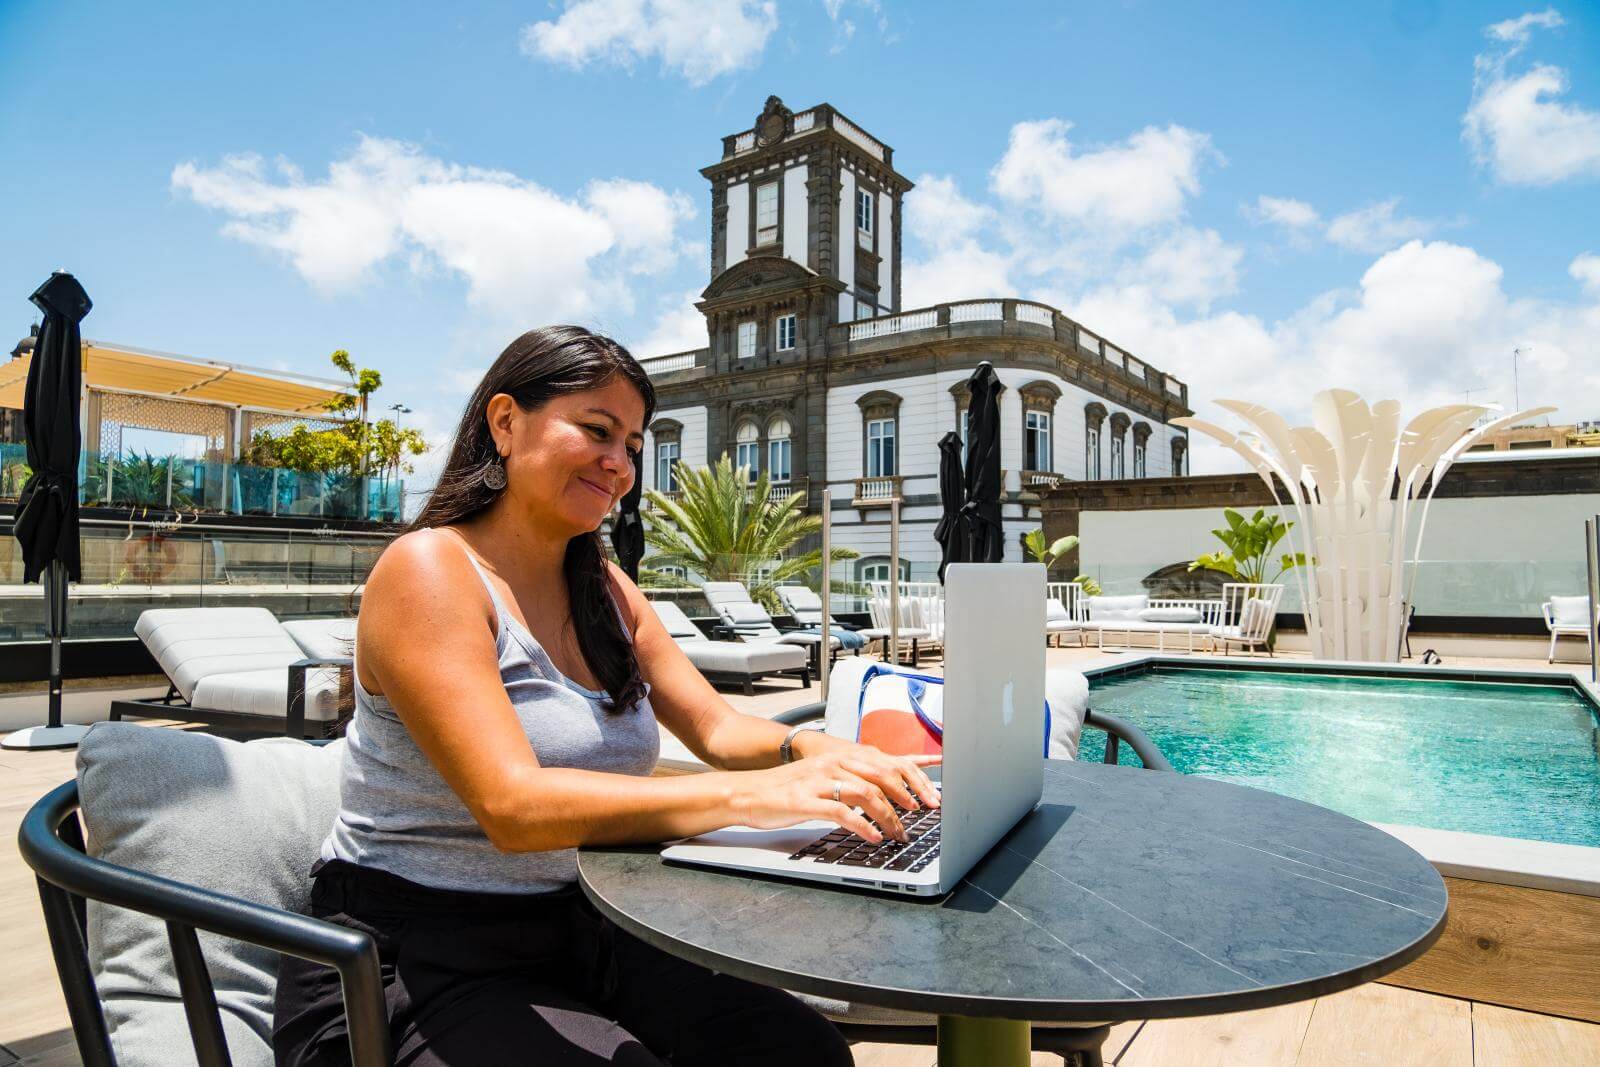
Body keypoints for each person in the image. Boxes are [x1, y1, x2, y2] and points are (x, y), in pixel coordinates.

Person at [273, 326, 940, 1066]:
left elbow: (716, 726)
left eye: (632, 444)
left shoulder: (607, 589)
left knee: (802, 1049)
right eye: (597, 431)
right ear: (505, 422)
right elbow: (514, 807)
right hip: (414, 960)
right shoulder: (430, 571)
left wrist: (808, 747)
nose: (620, 464)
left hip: (585, 927)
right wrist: (761, 796)